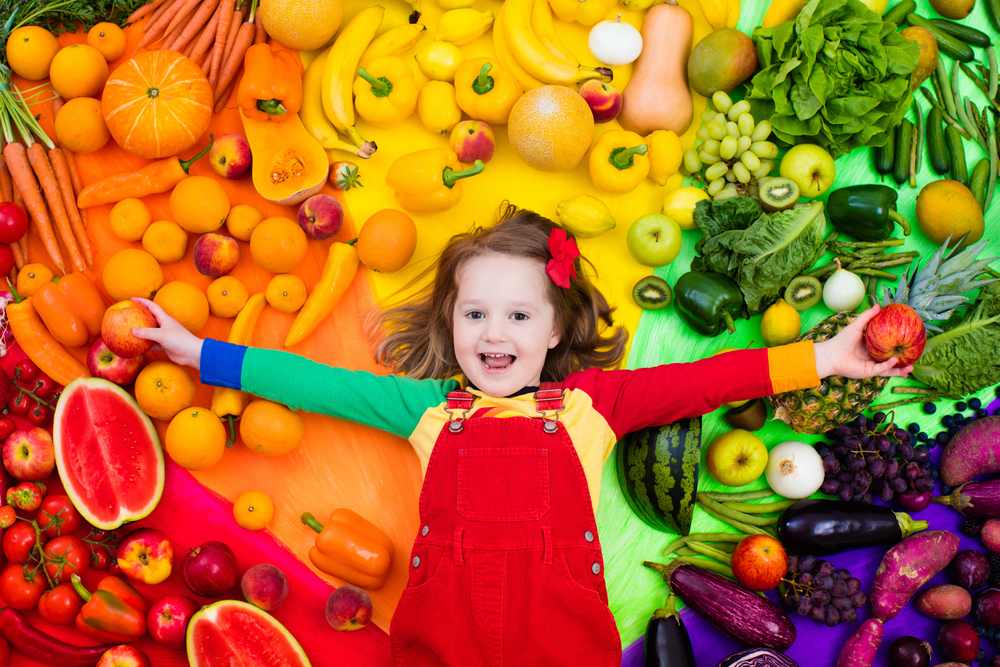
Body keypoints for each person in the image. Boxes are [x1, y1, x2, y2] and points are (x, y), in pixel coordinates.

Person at [134, 203, 910, 667]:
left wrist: (827, 356)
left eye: (518, 315)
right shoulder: (427, 411)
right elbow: (317, 385)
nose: (493, 334)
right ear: (450, 322)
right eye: (475, 314)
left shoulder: (591, 408)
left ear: (556, 331)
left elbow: (711, 379)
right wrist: (195, 351)